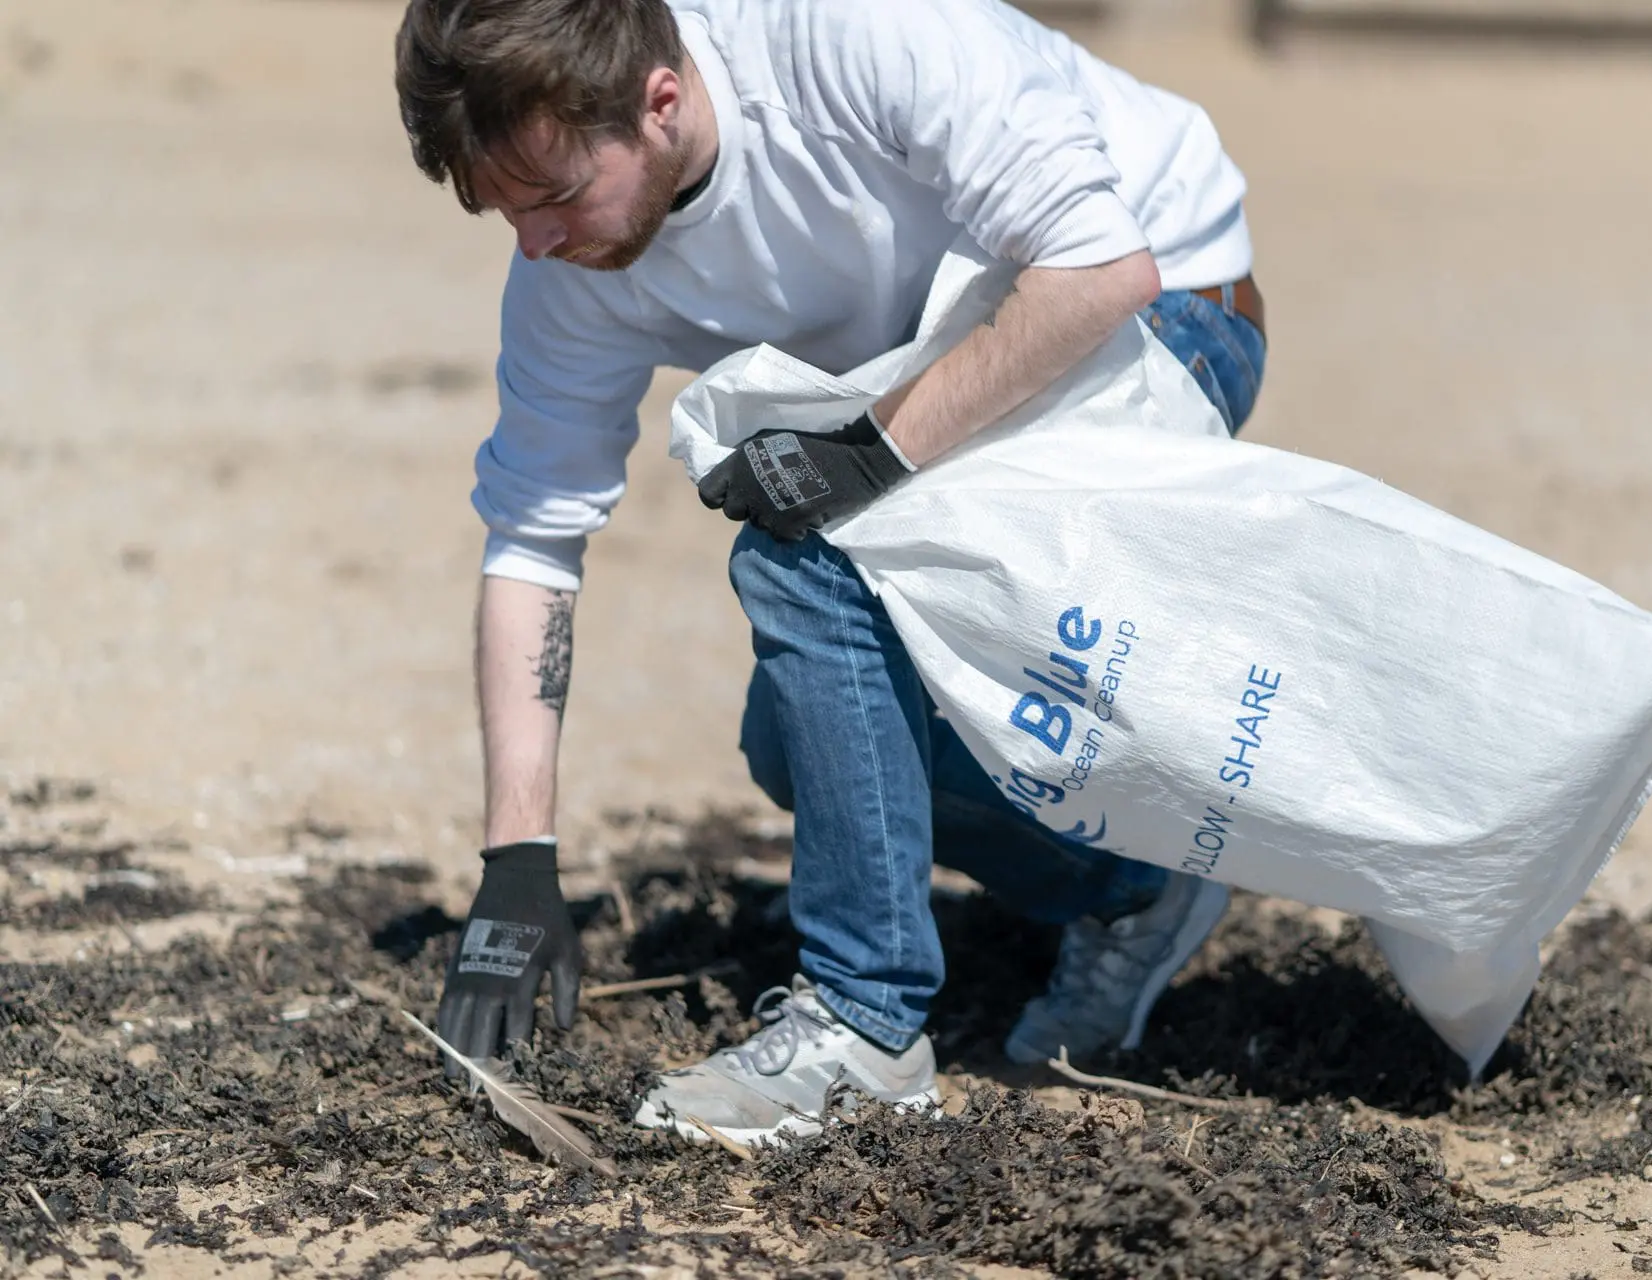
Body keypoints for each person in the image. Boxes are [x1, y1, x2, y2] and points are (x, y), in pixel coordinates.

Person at [399, 0, 1267, 1145]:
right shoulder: (571, 266)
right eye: (502, 210)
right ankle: (1133, 885)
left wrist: (867, 455)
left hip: (1162, 300)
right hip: (947, 349)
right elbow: (533, 541)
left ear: (659, 104)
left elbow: (1099, 270)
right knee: (793, 742)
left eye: (554, 196)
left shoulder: (852, 32)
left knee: (803, 541)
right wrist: (517, 858)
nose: (535, 243)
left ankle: (863, 1026)